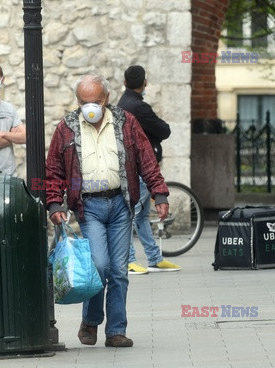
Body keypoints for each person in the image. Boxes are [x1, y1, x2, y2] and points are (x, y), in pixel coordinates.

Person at [46, 73, 169, 348]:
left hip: (121, 205)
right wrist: (54, 202)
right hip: (89, 207)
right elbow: (53, 169)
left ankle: (115, 331)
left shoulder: (127, 122)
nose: (90, 107)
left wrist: (159, 193)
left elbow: (147, 160)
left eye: (96, 101)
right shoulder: (66, 127)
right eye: (84, 101)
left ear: (107, 99)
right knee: (99, 265)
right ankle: (90, 321)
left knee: (119, 271)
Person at [117, 65, 181, 274]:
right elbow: (163, 129)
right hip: (140, 168)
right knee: (132, 214)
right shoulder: (139, 107)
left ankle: (154, 257)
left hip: (132, 166)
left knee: (142, 216)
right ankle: (128, 261)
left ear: (125, 83)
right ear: (144, 83)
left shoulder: (122, 103)